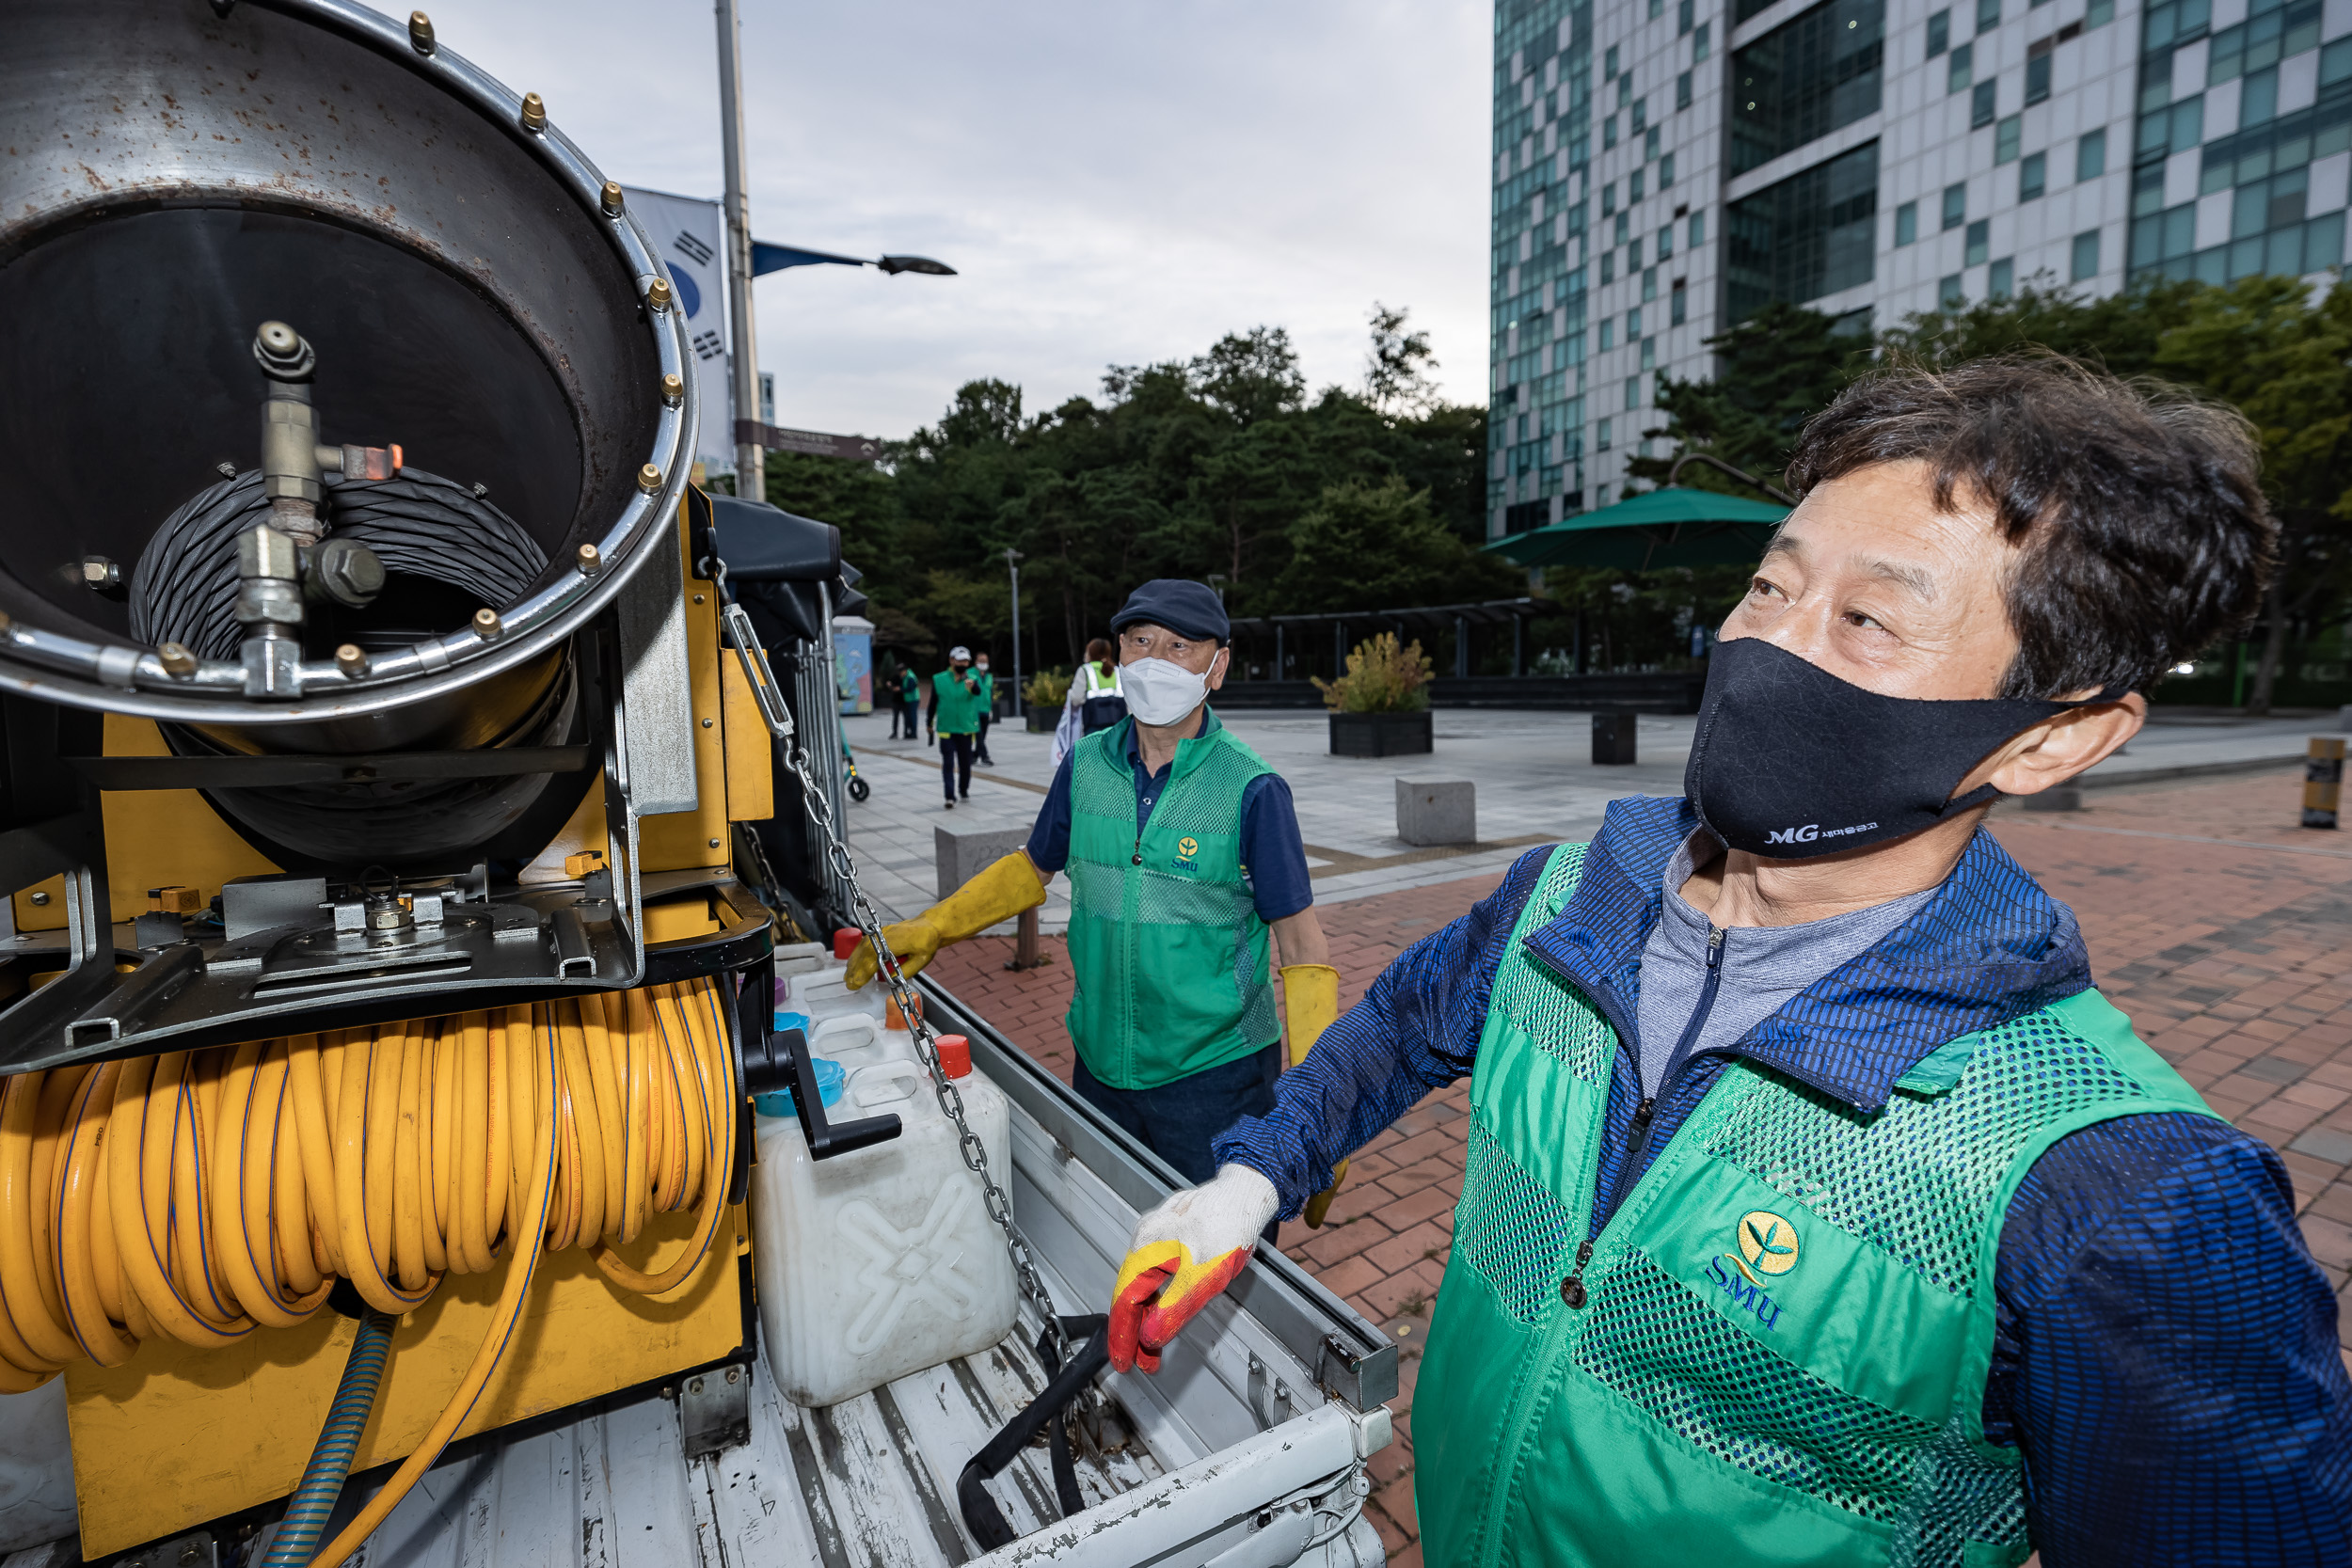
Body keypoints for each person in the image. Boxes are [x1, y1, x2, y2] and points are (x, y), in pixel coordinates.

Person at [1103, 360, 2352, 1564]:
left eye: (1867, 617)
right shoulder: (1567, 895)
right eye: (1769, 588)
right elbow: (1406, 1018)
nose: (1772, 647)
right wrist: (1254, 1177)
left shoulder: (2130, 1201)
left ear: (2055, 737)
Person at [850, 581, 1344, 1203]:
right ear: (1117, 656)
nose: (1156, 660)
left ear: (1217, 666)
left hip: (1216, 1077)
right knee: (1112, 1231)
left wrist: (1323, 1102)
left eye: (1180, 646)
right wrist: (934, 926)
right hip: (1100, 1068)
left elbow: (1301, 942)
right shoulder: (1085, 765)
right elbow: (1033, 868)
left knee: (1220, 1270)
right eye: (1141, 641)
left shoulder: (1252, 788)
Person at [927, 645, 984, 809]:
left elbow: (978, 692)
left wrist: (972, 686)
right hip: (946, 728)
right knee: (948, 763)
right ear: (952, 661)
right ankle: (949, 796)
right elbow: (933, 703)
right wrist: (929, 723)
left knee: (965, 763)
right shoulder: (939, 679)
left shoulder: (972, 678)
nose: (963, 663)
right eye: (959, 660)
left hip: (966, 728)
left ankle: (963, 789)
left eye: (965, 661)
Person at [1053, 637, 1120, 768]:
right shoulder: (1117, 671)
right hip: (1118, 728)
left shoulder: (1085, 670)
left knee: (1094, 764)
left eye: (1087, 651)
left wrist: (1070, 694)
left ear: (1092, 653)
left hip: (1094, 726)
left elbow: (1077, 699)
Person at [973, 651, 997, 767]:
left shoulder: (989, 676)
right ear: (976, 662)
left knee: (983, 735)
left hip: (986, 710)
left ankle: (974, 755)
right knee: (979, 735)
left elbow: (990, 693)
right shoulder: (970, 674)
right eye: (981, 661)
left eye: (985, 661)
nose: (983, 663)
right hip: (974, 710)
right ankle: (985, 757)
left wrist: (991, 709)